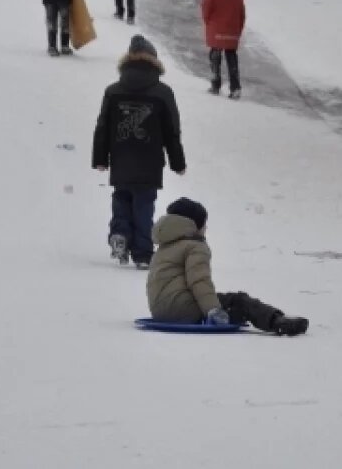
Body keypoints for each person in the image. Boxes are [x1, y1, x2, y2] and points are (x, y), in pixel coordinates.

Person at [147, 198, 309, 336]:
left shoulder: (164, 247)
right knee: (240, 301)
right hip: (184, 311)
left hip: (160, 311)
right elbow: (199, 281)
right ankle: (277, 322)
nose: (206, 229)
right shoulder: (195, 246)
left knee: (225, 301)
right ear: (193, 226)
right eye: (204, 225)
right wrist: (213, 310)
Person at [92, 35, 186, 269]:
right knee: (144, 203)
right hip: (149, 160)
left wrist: (100, 158)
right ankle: (143, 253)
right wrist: (177, 162)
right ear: (153, 62)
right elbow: (171, 130)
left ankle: (120, 235)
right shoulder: (163, 92)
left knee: (121, 197)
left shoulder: (113, 91)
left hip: (122, 156)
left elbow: (103, 126)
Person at [201, 0, 246, 99]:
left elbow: (206, 10)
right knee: (231, 57)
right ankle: (235, 87)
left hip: (216, 30)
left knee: (215, 55)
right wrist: (238, 29)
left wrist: (209, 23)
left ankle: (215, 84)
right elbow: (242, 14)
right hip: (232, 30)